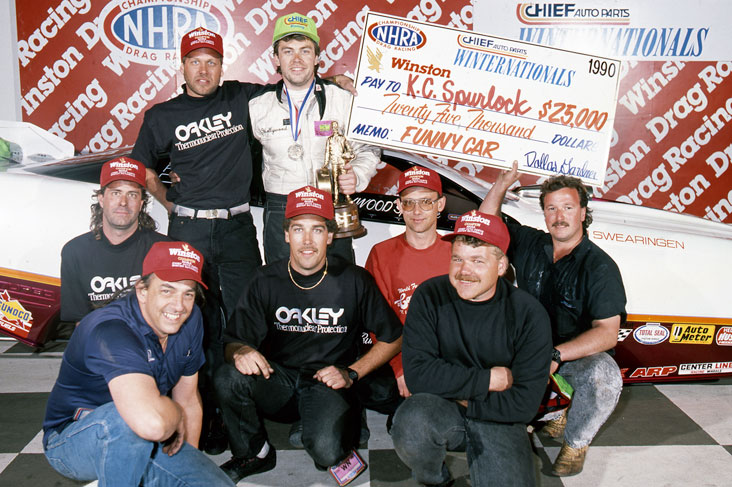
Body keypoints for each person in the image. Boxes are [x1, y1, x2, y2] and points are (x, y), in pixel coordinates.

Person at [214, 186, 402, 485]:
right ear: (286, 234)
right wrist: (240, 351)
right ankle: (255, 453)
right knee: (228, 376)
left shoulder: (353, 280)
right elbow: (232, 341)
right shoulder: (265, 279)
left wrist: (352, 374)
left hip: (327, 382)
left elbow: (393, 337)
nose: (307, 240)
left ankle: (337, 423)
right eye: (298, 229)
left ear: (330, 236)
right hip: (279, 381)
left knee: (327, 454)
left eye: (317, 230)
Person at [43, 241, 234, 486]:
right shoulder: (110, 330)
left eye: (188, 293)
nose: (179, 305)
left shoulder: (191, 317)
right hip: (73, 440)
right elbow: (151, 423)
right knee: (127, 421)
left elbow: (187, 399)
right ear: (142, 290)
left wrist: (189, 460)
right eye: (167, 290)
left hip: (149, 432)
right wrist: (174, 414)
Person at [480, 162, 626, 476]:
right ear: (544, 213)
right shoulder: (532, 243)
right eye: (551, 209)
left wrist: (555, 355)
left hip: (573, 357)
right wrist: (501, 184)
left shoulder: (601, 267)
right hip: (527, 350)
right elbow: (485, 223)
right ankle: (550, 413)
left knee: (605, 377)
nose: (559, 217)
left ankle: (576, 442)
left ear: (584, 212)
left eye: (568, 207)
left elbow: (607, 334)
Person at [391, 210, 552, 487]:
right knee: (411, 421)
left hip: (501, 419)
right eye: (458, 259)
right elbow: (417, 376)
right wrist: (489, 379)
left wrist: (455, 392)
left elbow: (523, 405)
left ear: (501, 265)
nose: (464, 271)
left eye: (478, 261)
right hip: (448, 409)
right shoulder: (430, 295)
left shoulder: (528, 313)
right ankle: (434, 479)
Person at [248, 13, 380, 264]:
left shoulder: (343, 100)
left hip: (331, 204)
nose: (296, 59)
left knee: (337, 289)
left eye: (305, 51)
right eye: (287, 51)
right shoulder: (256, 106)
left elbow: (369, 148)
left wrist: (359, 176)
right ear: (275, 59)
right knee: (281, 288)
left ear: (317, 57)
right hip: (281, 209)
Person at [365, 166, 451, 399]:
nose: (417, 210)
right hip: (401, 356)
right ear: (398, 206)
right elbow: (377, 321)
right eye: (409, 202)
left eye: (426, 201)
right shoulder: (381, 253)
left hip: (447, 359)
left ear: (440, 205)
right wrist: (400, 368)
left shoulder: (457, 253)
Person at [60, 157, 168, 324]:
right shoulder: (75, 252)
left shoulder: (165, 251)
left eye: (132, 194)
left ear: (141, 203)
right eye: (116, 193)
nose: (123, 202)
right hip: (99, 342)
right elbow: (80, 323)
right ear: (101, 199)